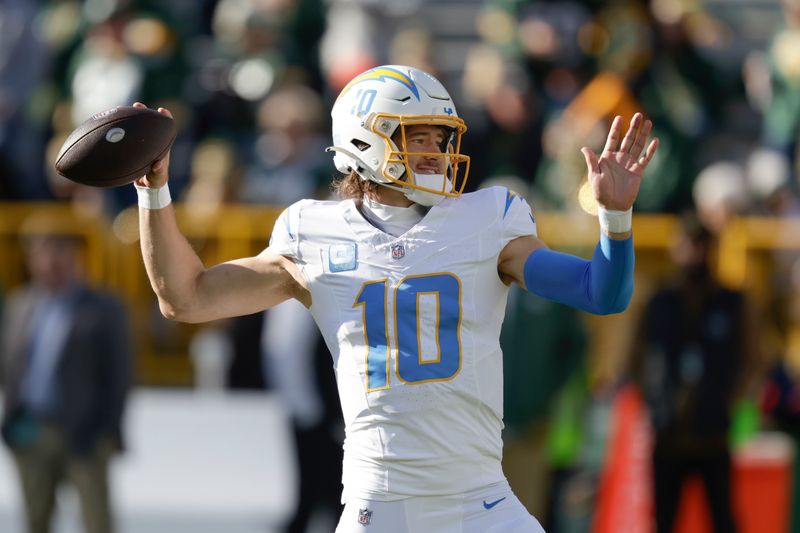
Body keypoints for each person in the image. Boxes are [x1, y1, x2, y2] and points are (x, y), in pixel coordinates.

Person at [131, 64, 658, 532]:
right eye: (418, 137)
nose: (435, 153)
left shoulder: (488, 219)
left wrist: (615, 219)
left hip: (481, 502)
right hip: (379, 507)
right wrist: (154, 193)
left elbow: (600, 292)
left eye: (440, 138)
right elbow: (187, 298)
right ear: (365, 141)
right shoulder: (312, 233)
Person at [629, 212, 762, 533]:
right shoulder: (659, 302)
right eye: (687, 245)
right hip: (668, 433)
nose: (694, 254)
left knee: (722, 519)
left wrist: (726, 399)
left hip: (713, 436)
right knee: (664, 519)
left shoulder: (733, 303)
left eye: (700, 246)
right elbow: (636, 358)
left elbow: (754, 360)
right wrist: (654, 400)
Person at [0, 226, 132, 533]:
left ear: (76, 260)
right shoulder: (21, 305)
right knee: (35, 520)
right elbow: (12, 369)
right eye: (44, 256)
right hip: (31, 430)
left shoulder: (104, 309)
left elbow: (119, 376)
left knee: (96, 521)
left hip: (85, 432)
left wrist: (105, 430)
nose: (52, 264)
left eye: (60, 255)